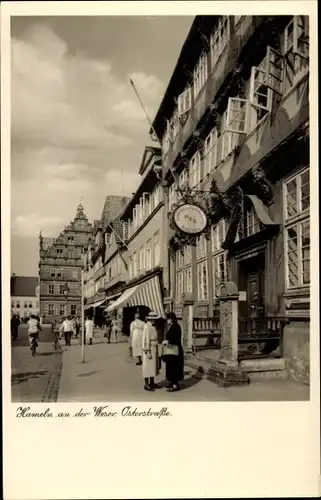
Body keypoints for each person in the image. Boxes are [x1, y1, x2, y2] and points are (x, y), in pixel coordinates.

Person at [162, 312, 184, 392]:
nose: (167, 320)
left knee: (174, 367)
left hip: (175, 350)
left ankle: (175, 385)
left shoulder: (175, 327)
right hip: (172, 349)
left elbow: (175, 338)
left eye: (168, 319)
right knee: (171, 367)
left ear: (171, 319)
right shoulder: (173, 326)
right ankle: (172, 382)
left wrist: (167, 341)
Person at [142, 311, 161, 391]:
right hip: (149, 347)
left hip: (154, 346)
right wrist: (147, 350)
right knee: (147, 367)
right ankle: (146, 384)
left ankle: (152, 382)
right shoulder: (147, 326)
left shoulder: (153, 326)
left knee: (153, 366)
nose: (155, 320)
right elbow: (145, 339)